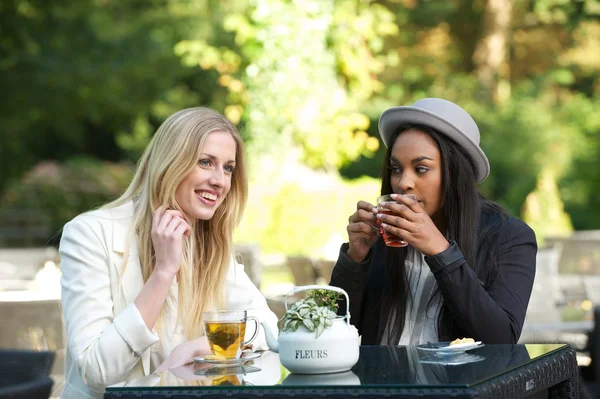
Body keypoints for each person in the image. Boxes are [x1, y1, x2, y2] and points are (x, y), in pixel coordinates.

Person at [59, 107, 279, 398]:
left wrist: (206, 346)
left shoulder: (209, 244)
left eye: (228, 168)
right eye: (205, 162)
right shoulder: (89, 234)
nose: (220, 181)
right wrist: (164, 271)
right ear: (169, 163)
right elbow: (96, 372)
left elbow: (267, 328)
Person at [330, 98, 537, 346]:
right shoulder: (383, 238)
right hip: (381, 383)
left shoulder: (508, 237)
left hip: (461, 384)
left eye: (421, 169)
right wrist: (356, 259)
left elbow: (500, 339)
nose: (403, 182)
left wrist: (441, 252)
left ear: (456, 172)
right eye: (396, 168)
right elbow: (330, 330)